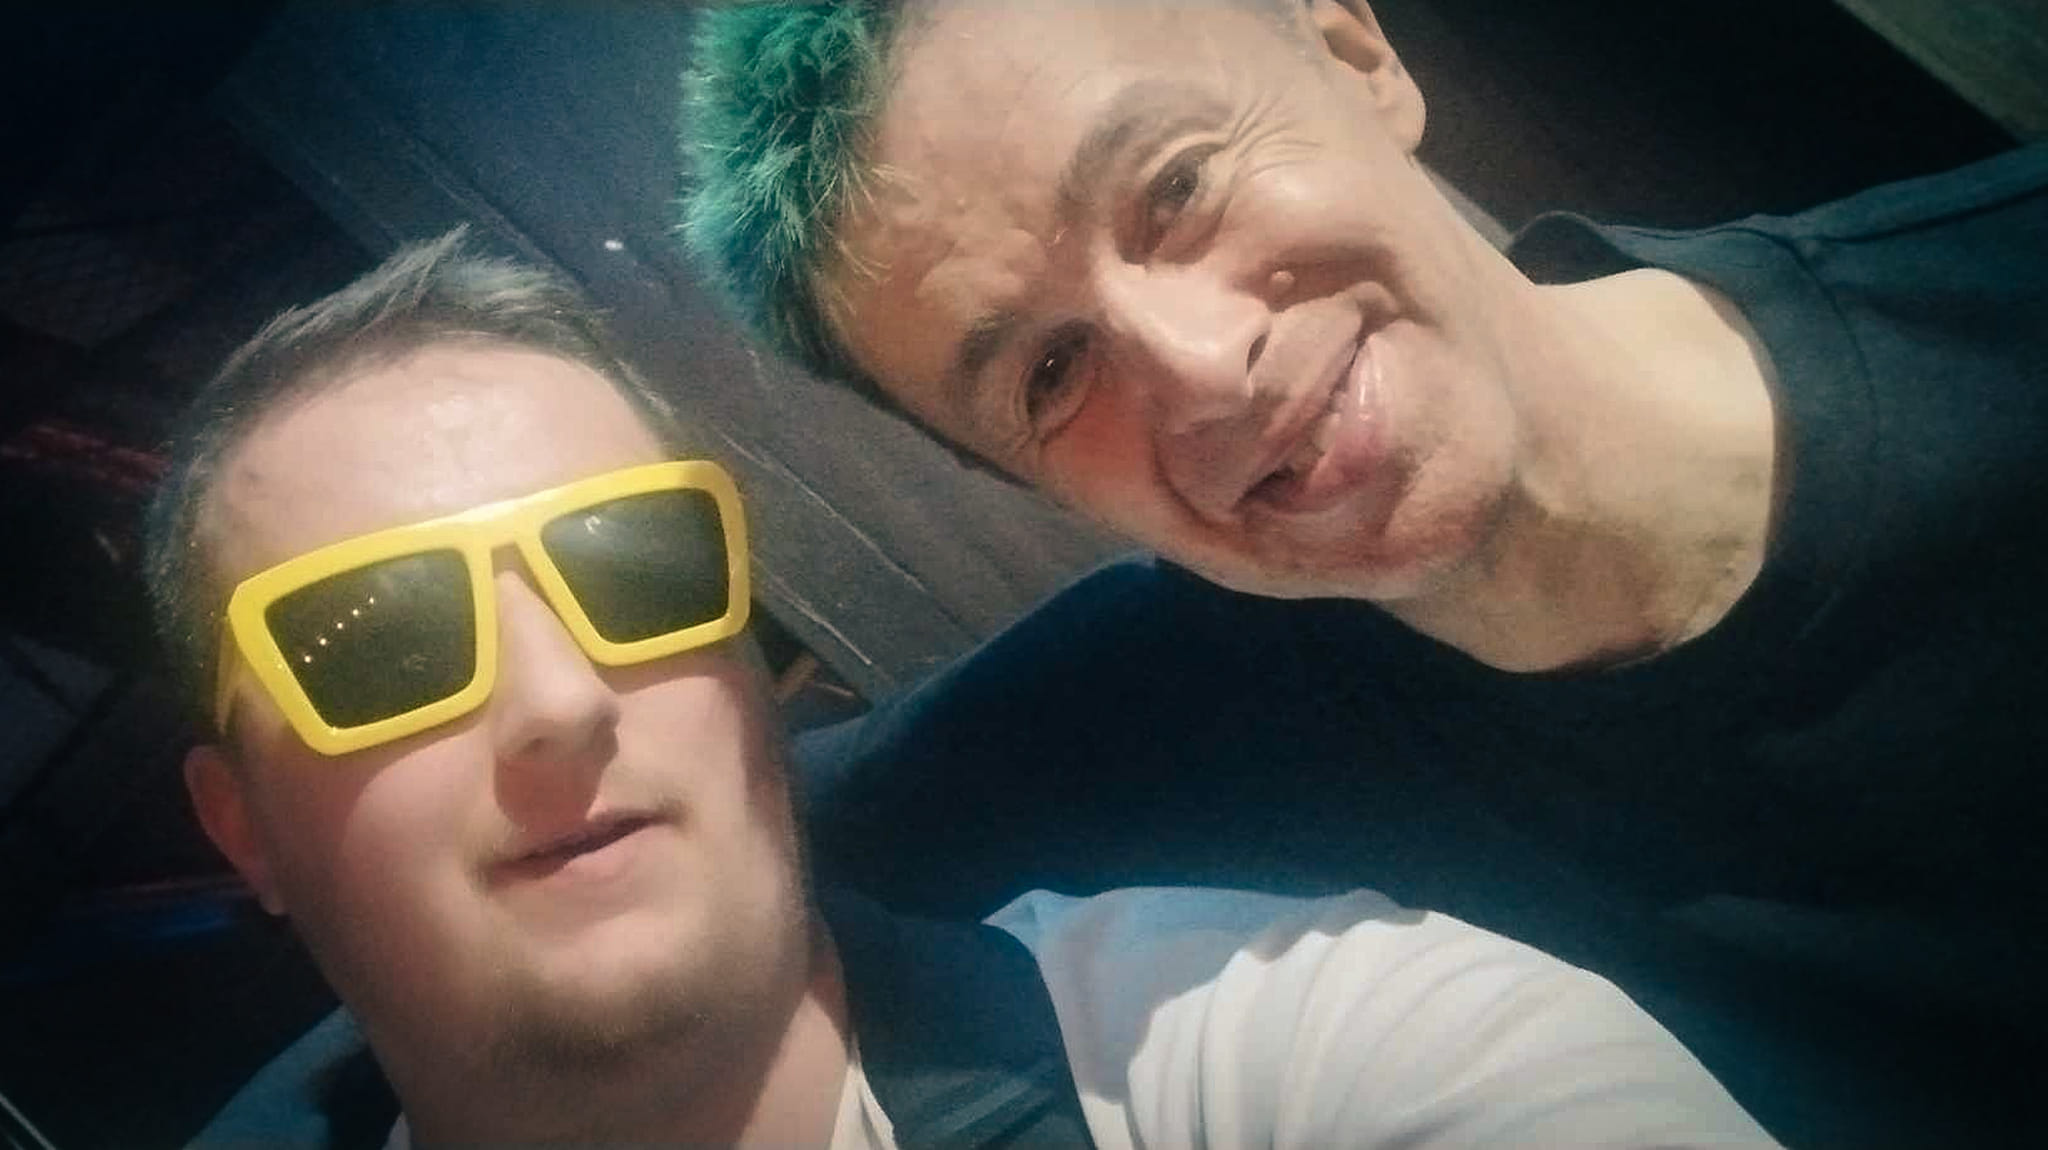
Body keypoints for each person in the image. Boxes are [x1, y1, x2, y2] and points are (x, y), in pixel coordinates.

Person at [676, 0, 2048, 1141]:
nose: (1203, 370)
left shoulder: (2003, 307)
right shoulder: (1135, 742)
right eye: (1050, 372)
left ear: (1352, 51)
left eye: (1177, 186)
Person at [143, 231, 1771, 1147]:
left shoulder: (1285, 1055)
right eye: (376, 641)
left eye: (635, 567)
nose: (563, 698)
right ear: (244, 828)